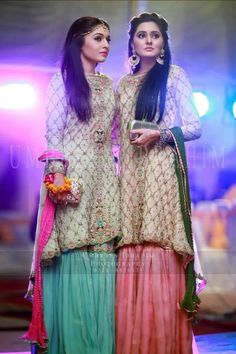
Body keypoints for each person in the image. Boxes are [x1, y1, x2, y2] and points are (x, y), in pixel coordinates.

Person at [23, 17, 120, 354]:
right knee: (73, 252)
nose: (106, 43)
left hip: (105, 178)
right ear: (79, 41)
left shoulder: (109, 85)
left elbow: (117, 135)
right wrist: (57, 176)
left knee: (103, 249)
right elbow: (53, 133)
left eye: (108, 38)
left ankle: (101, 344)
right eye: (98, 38)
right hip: (71, 177)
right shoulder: (60, 82)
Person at [115, 12, 204, 354]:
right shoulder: (123, 84)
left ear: (164, 42)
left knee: (157, 244)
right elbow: (114, 136)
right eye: (142, 35)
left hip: (162, 173)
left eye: (155, 35)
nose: (149, 40)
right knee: (131, 245)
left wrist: (161, 135)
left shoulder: (175, 76)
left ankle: (161, 343)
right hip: (131, 174)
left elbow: (194, 126)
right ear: (133, 43)